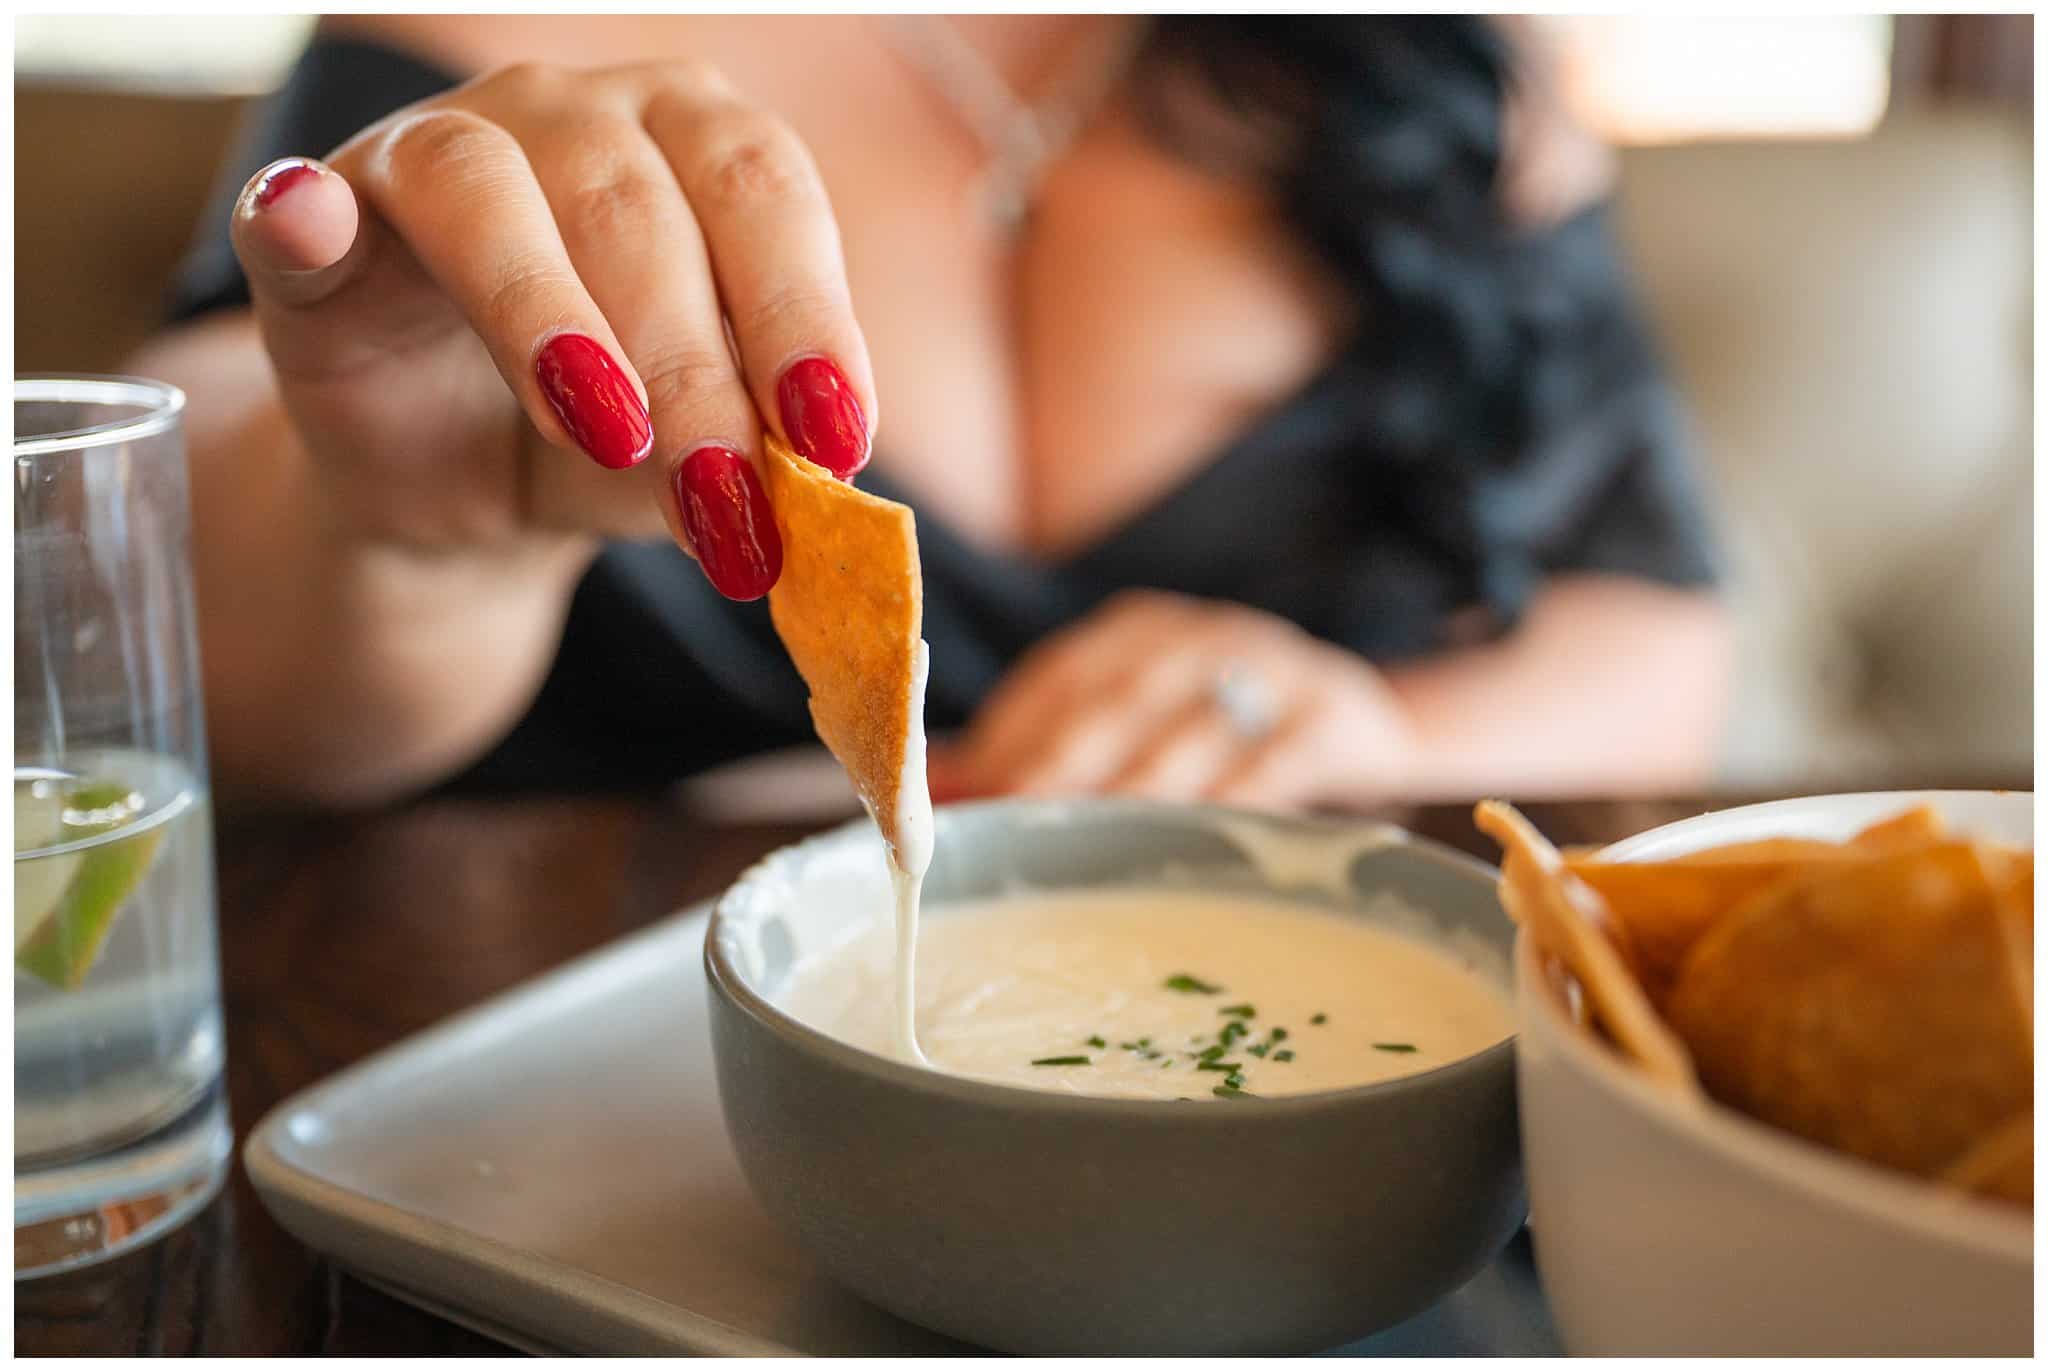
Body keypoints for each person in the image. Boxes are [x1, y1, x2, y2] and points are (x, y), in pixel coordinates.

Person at [135, 14, 1731, 813]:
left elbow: (1654, 636)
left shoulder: (1451, 66)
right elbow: (126, 597)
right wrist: (409, 546)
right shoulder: (463, 46)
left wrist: (1380, 735)